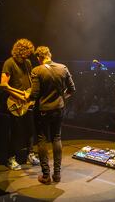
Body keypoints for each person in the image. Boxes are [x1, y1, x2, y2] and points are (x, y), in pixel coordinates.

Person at [29, 46, 76, 184]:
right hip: (59, 109)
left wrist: (26, 97)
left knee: (42, 140)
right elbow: (72, 89)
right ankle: (57, 175)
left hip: (42, 111)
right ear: (50, 54)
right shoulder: (63, 68)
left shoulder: (37, 70)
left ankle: (46, 176)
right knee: (57, 137)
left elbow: (34, 95)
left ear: (39, 58)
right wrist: (61, 98)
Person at [1, 38, 40, 170]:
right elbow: (4, 85)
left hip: (27, 102)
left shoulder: (27, 63)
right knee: (15, 133)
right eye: (27, 53)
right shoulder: (9, 63)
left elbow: (30, 80)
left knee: (30, 130)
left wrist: (31, 94)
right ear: (20, 51)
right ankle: (11, 159)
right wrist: (20, 96)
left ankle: (30, 154)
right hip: (15, 102)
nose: (28, 55)